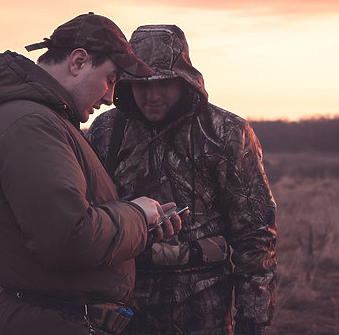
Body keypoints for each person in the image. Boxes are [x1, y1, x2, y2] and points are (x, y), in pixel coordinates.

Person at [0, 13, 185, 335]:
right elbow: (69, 238)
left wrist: (142, 232)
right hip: (55, 321)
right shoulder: (30, 124)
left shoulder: (35, 118)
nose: (111, 97)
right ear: (78, 61)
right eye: (110, 79)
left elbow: (51, 228)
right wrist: (137, 214)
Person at [87, 25, 277, 335]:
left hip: (204, 314)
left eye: (163, 82)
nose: (152, 95)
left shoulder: (226, 132)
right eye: (140, 83)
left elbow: (255, 235)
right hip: (121, 311)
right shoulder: (105, 132)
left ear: (183, 80)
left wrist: (251, 321)